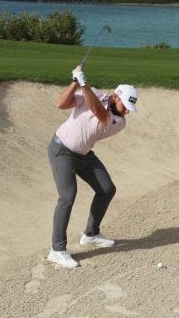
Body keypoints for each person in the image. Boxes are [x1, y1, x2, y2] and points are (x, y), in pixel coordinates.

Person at [46, 65, 138, 269]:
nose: (127, 113)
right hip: (61, 149)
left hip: (83, 154)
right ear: (115, 96)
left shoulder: (119, 121)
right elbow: (61, 104)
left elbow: (99, 113)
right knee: (67, 196)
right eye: (125, 106)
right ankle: (57, 250)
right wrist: (75, 82)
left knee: (107, 189)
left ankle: (91, 234)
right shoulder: (94, 93)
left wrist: (84, 83)